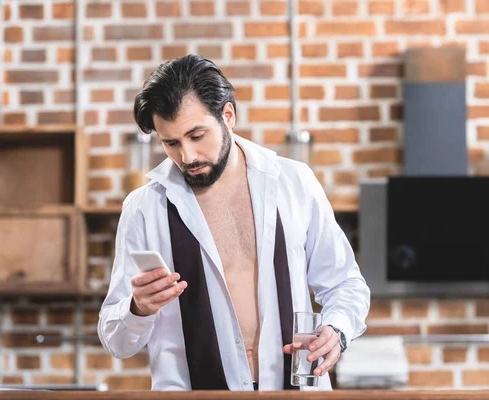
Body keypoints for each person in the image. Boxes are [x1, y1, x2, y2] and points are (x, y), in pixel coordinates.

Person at [97, 54, 371, 391]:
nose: (188, 156)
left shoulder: (294, 183)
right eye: (171, 143)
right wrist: (138, 308)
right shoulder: (143, 209)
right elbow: (116, 340)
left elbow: (345, 283)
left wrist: (336, 330)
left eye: (197, 136)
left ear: (228, 115)